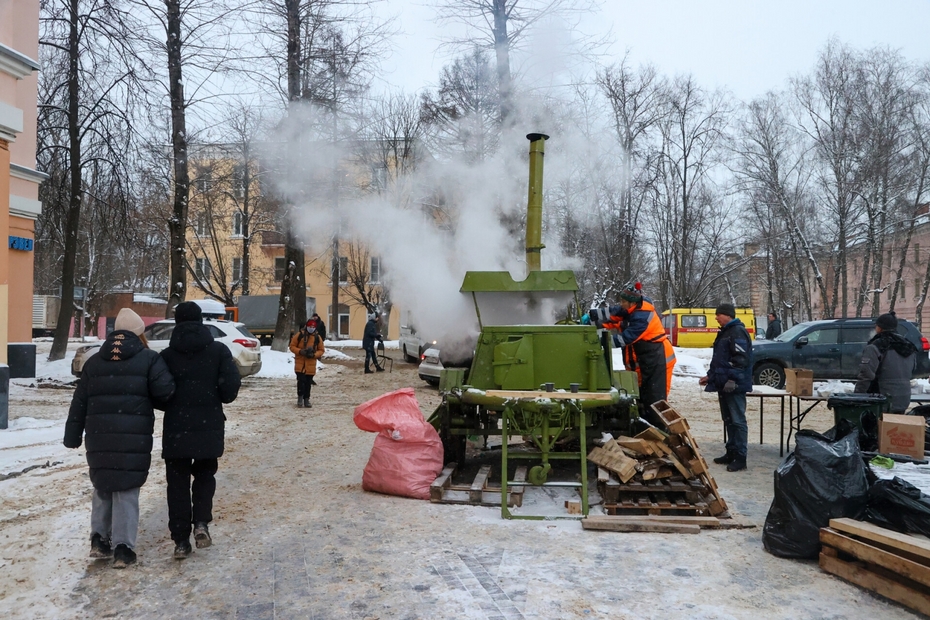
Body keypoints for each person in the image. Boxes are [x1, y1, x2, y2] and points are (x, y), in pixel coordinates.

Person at [64, 308, 175, 568]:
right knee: (126, 490)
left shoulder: (94, 362)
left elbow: (79, 402)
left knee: (102, 485)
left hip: (99, 436)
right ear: (138, 333)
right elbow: (166, 392)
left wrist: (72, 435)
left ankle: (99, 540)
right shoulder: (148, 359)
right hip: (132, 437)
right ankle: (123, 549)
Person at [159, 301, 241, 560]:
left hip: (176, 428)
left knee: (177, 483)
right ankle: (202, 524)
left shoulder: (166, 356)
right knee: (205, 477)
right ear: (201, 320)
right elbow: (229, 392)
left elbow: (159, 393)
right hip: (209, 425)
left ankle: (181, 540)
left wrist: (173, 404)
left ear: (177, 322)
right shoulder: (218, 351)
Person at [589, 284, 677, 417]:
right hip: (647, 359)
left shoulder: (642, 318)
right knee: (643, 396)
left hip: (659, 359)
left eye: (623, 301)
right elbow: (614, 313)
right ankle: (645, 423)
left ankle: (659, 431)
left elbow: (625, 338)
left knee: (656, 399)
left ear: (632, 303)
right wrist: (592, 316)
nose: (621, 304)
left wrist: (597, 342)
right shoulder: (632, 309)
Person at [699, 303, 753, 472]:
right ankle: (731, 452)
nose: (716, 317)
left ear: (727, 315)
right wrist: (711, 376)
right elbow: (720, 360)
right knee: (728, 420)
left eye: (718, 314)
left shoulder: (737, 332)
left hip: (734, 385)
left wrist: (732, 380)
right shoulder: (726, 332)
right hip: (724, 383)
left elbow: (741, 359)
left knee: (737, 421)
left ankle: (740, 457)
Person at [854, 312, 917, 413]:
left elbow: (866, 374)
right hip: (903, 398)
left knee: (878, 428)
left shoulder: (875, 346)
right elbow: (912, 370)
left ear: (879, 328)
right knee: (895, 427)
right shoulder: (909, 346)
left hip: (881, 399)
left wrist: (857, 397)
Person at [289, 318, 325, 407]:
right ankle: (300, 398)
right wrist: (300, 351)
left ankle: (307, 399)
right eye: (310, 326)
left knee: (308, 383)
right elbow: (292, 346)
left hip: (311, 364)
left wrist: (314, 354)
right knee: (301, 381)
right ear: (306, 326)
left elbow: (321, 350)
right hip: (300, 363)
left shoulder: (317, 337)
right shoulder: (299, 335)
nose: (311, 328)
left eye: (313, 327)